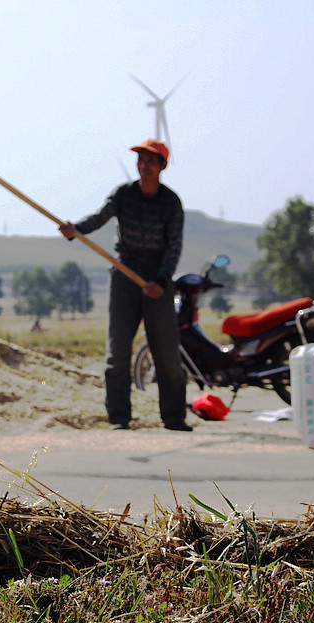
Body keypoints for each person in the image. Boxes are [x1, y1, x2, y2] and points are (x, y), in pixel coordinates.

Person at [59, 138, 191, 431]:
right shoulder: (123, 194)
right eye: (141, 159)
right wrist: (76, 230)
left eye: (151, 160)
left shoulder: (171, 202)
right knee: (117, 351)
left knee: (167, 353)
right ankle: (118, 417)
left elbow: (174, 247)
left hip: (157, 278)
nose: (144, 165)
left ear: (161, 166)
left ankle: (174, 418)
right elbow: (100, 217)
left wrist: (160, 280)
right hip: (124, 272)